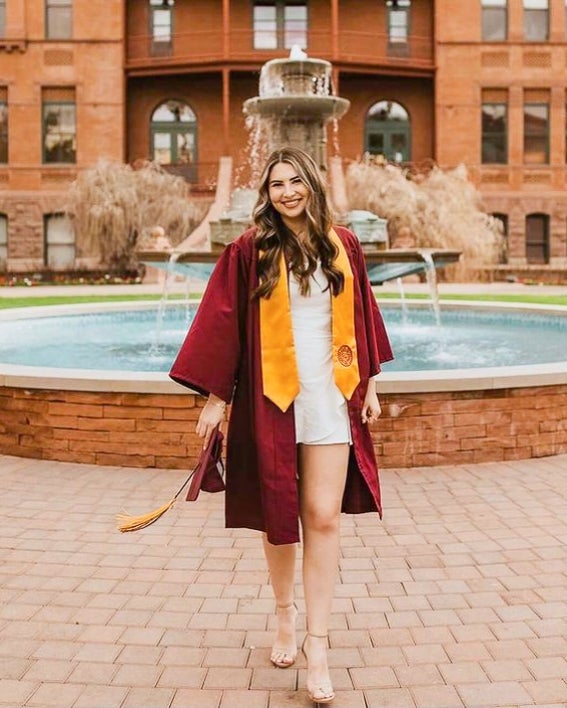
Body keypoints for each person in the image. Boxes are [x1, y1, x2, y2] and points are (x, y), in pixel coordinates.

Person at [170, 146, 393, 705]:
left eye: (296, 181)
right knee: (279, 516)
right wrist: (216, 400)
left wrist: (370, 381)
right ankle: (284, 615)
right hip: (272, 399)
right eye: (276, 185)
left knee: (321, 516)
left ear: (312, 185)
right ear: (266, 196)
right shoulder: (250, 250)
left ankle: (318, 646)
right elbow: (225, 323)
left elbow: (363, 311)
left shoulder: (344, 245)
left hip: (330, 394)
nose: (288, 192)